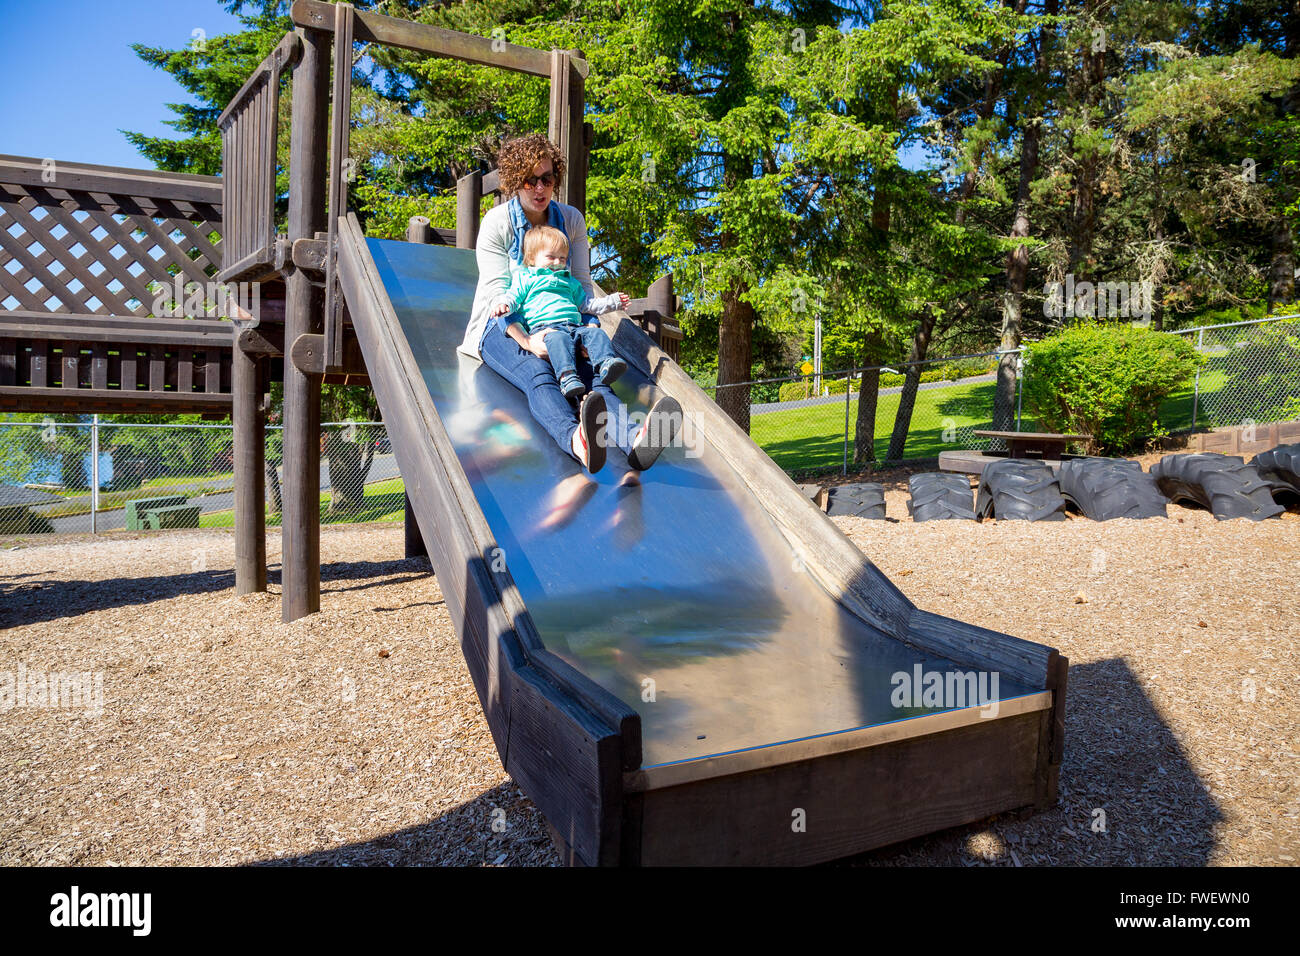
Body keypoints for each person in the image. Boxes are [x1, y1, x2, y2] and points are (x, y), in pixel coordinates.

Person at [458, 132, 680, 473]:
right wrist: (529, 342)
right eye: (530, 180)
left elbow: (583, 289)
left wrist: (587, 334)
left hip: (563, 324)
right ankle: (576, 438)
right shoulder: (498, 223)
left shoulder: (571, 220)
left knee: (594, 378)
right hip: (505, 327)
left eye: (546, 179)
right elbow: (497, 298)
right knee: (538, 373)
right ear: (516, 181)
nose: (539, 188)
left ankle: (635, 439)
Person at [489, 224, 628, 399]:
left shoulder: (570, 281)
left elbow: (587, 305)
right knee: (557, 340)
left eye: (562, 258)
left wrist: (612, 302)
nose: (557, 262)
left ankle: (606, 363)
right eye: (551, 257)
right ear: (532, 258)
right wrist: (504, 304)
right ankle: (567, 377)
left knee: (596, 334)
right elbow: (514, 296)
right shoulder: (527, 278)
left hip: (575, 327)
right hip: (547, 328)